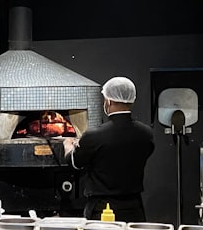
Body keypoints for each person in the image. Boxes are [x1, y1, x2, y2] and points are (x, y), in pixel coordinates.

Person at [63, 76, 155, 222]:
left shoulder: (94, 135)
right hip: (134, 208)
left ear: (109, 101)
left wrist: (68, 145)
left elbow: (74, 162)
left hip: (102, 210)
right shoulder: (146, 133)